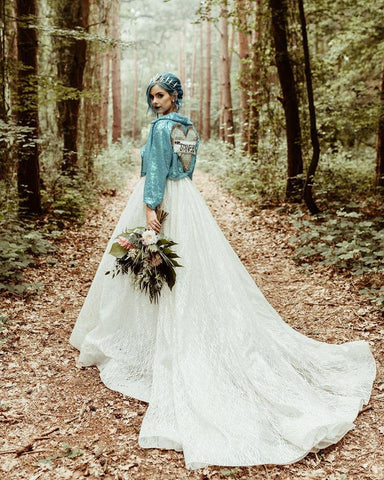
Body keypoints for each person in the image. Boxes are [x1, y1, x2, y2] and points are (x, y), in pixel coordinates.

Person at [70, 72, 376, 470]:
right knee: (183, 269)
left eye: (161, 95)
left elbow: (160, 170)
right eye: (152, 96)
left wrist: (150, 209)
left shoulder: (164, 127)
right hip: (188, 199)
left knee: (161, 264)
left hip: (163, 202)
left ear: (174, 96)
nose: (155, 102)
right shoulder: (188, 125)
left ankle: (157, 335)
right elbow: (188, 166)